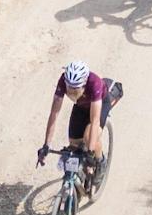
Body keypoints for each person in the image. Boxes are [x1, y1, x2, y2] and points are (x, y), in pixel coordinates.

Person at [38, 60, 122, 195]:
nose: (71, 91)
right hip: (81, 105)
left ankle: (100, 162)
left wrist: (90, 153)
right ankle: (79, 175)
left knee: (89, 138)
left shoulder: (94, 84)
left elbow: (95, 120)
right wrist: (46, 145)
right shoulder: (63, 81)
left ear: (83, 83)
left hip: (99, 104)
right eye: (69, 88)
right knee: (74, 143)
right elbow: (54, 114)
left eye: (75, 89)